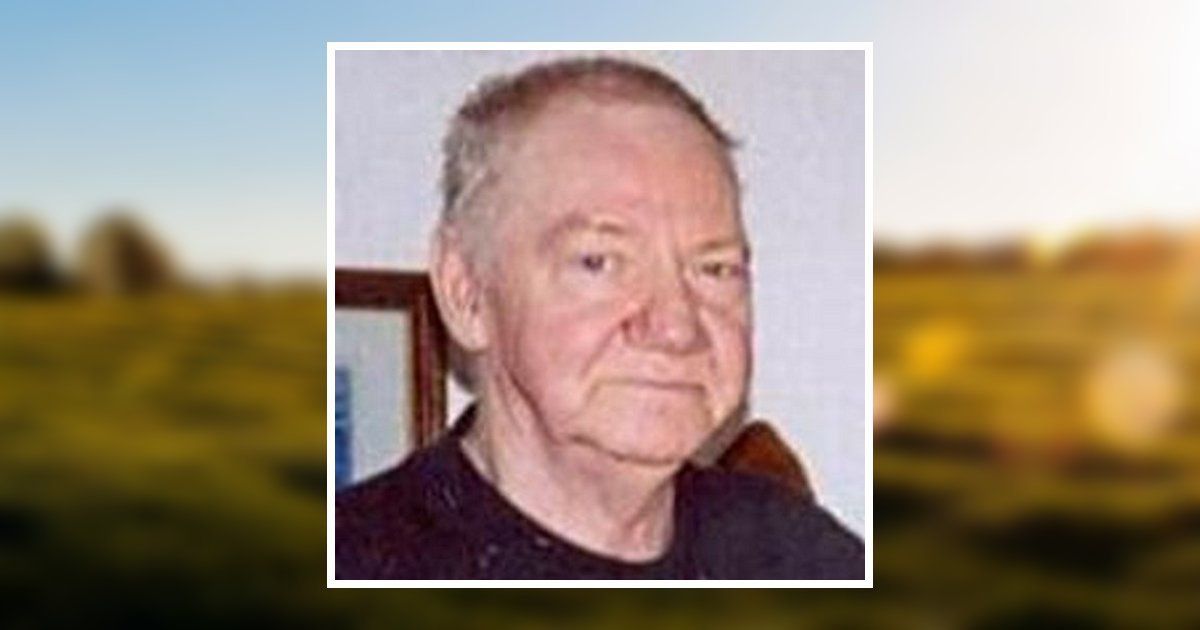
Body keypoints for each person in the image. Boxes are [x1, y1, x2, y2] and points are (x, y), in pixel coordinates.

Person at [336, 56, 864, 579]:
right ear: (466, 293)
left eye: (715, 269)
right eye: (599, 262)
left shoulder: (801, 557)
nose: (677, 327)